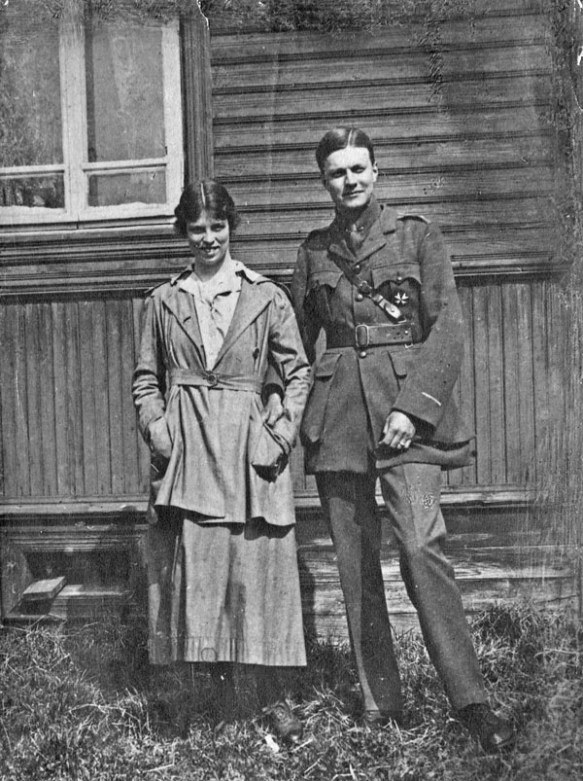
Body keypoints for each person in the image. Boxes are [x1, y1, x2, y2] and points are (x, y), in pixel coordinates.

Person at [290, 127, 515, 753]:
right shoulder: (311, 253)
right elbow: (291, 341)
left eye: (359, 168)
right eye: (336, 172)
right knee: (355, 562)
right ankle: (380, 700)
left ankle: (470, 699)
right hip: (337, 421)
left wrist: (414, 411)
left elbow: (447, 329)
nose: (350, 181)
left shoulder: (417, 236)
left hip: (403, 418)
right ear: (324, 182)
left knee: (420, 546)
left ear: (377, 172)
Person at [132, 180, 310, 740]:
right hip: (187, 448)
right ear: (183, 233)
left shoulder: (266, 295)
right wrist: (159, 431)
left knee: (256, 568)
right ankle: (193, 699)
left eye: (218, 226)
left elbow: (298, 371)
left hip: (247, 447)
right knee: (193, 569)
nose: (208, 238)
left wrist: (279, 437)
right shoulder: (164, 301)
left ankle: (264, 697)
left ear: (232, 228)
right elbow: (145, 380)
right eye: (197, 228)